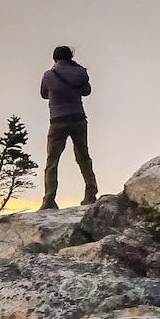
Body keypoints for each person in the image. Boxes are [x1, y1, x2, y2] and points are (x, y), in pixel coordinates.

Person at [39, 45, 98, 209]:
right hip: (78, 118)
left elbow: (44, 94)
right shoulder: (80, 72)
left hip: (58, 120)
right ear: (70, 57)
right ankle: (91, 193)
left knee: (52, 160)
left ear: (54, 58)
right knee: (83, 157)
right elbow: (87, 91)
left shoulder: (48, 75)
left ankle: (49, 200)